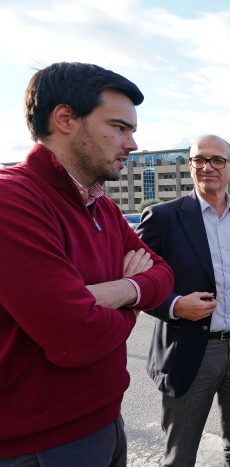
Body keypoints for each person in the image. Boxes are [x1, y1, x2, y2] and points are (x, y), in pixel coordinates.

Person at [0, 62, 174, 465]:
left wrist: (119, 291)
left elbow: (163, 274)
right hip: (38, 447)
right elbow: (75, 338)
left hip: (107, 422)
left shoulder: (103, 207)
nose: (132, 143)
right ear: (65, 119)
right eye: (119, 127)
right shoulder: (13, 201)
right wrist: (135, 304)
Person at [138, 134, 230, 466]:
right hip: (189, 352)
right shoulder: (163, 217)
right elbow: (137, 283)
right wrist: (175, 305)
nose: (207, 167)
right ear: (190, 166)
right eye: (199, 159)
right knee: (180, 453)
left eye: (216, 160)